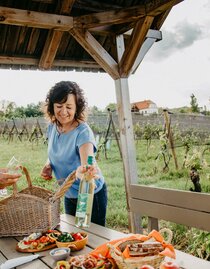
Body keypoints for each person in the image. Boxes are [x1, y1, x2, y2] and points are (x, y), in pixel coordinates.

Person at [40, 81, 107, 226]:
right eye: (59, 106)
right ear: (52, 107)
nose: (63, 112)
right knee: (73, 236)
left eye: (69, 107)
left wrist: (83, 171)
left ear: (77, 108)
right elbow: (56, 151)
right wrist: (48, 165)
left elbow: (88, 164)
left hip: (88, 194)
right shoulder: (53, 127)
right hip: (68, 192)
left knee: (90, 237)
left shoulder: (82, 132)